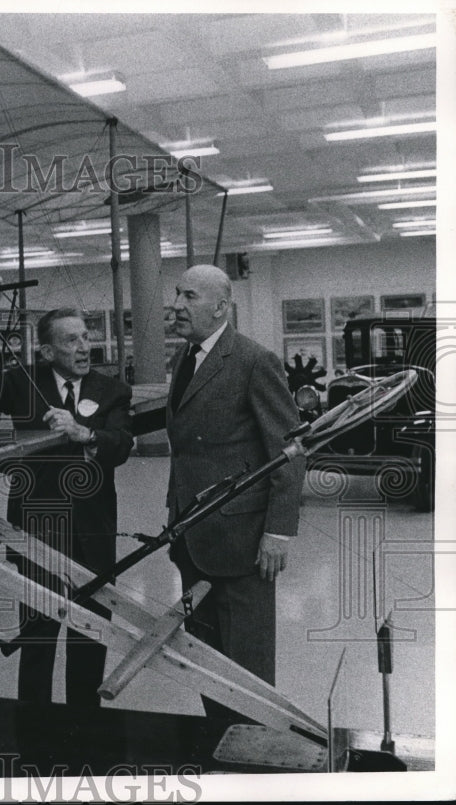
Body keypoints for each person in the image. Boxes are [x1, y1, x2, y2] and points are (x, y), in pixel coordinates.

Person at [0, 273, 134, 707]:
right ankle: (33, 727)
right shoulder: (22, 383)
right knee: (37, 639)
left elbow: (121, 444)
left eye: (85, 337)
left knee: (91, 637)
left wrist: (84, 433)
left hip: (93, 534)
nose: (83, 347)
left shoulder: (111, 390)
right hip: (36, 531)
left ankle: (84, 724)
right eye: (71, 340)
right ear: (48, 351)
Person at [166, 264, 305, 719]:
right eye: (177, 295)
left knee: (248, 668)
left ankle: (255, 766)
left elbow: (290, 451)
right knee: (206, 661)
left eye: (189, 296)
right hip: (192, 537)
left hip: (243, 543)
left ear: (221, 306)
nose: (177, 305)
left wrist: (278, 533)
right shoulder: (184, 359)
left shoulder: (252, 360)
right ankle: (220, 750)